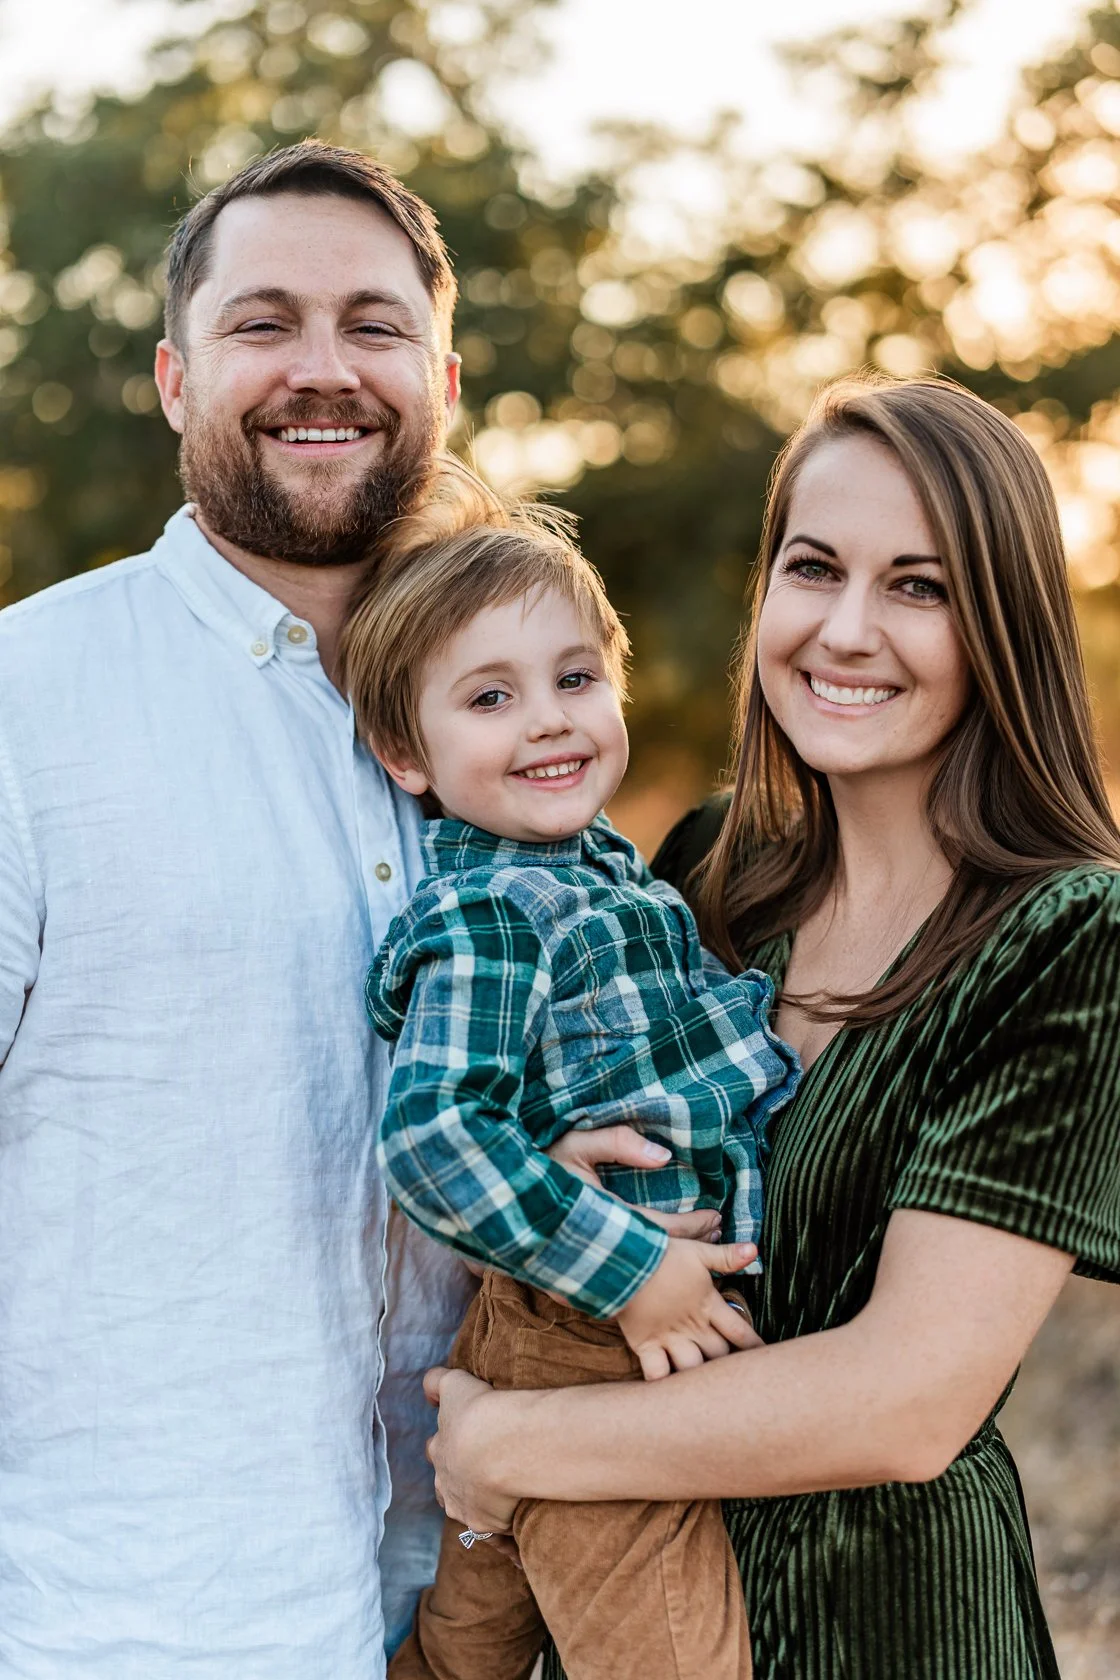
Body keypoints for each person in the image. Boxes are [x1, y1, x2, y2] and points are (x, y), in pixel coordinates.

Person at [417, 375, 1120, 1680]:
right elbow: (512, 1139)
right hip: (623, 1610)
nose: (846, 630)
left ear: (1003, 628)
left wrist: (508, 1445)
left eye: (920, 586)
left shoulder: (1072, 939)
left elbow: (908, 1400)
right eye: (814, 568)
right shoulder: (700, 879)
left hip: (896, 1634)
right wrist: (561, 1182)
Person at [0, 139, 478, 1678]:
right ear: (171, 377)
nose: (321, 370)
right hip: (116, 1622)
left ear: (446, 379)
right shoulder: (28, 707)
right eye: (264, 323)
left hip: (452, 1618)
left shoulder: (525, 745)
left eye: (374, 325)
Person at [340, 460, 799, 1680]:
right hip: (589, 1330)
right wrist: (639, 1271)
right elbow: (433, 1135)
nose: (548, 718)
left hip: (584, 1322)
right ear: (406, 751)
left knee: (468, 1643)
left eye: (575, 679)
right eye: (489, 698)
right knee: (667, 1652)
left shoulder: (613, 874)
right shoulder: (497, 912)